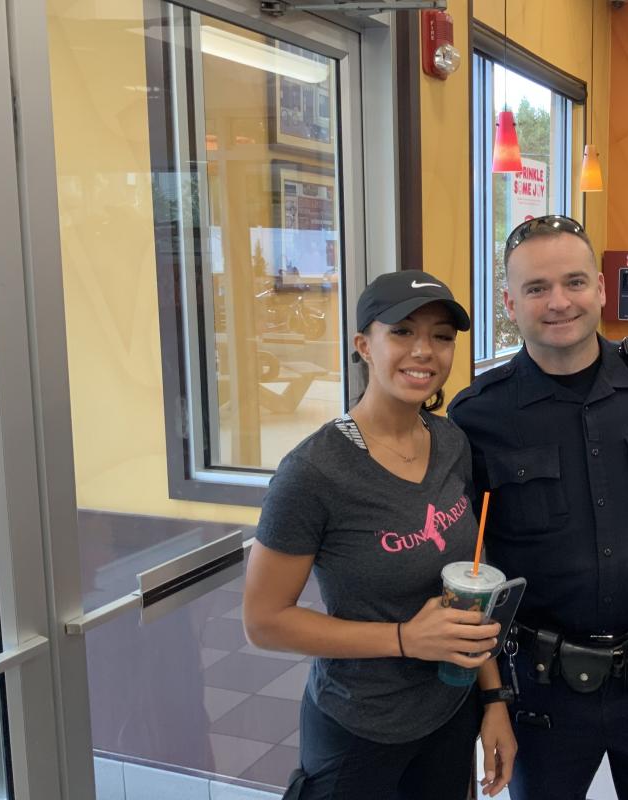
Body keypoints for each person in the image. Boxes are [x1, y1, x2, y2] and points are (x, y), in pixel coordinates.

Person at [449, 215, 628, 800]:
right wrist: (489, 695)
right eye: (536, 288)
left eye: (574, 282)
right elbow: (453, 563)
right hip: (540, 693)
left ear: (600, 288)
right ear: (509, 302)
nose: (558, 302)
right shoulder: (477, 417)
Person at [242, 270, 516, 799]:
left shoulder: (451, 442)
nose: (425, 351)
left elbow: (469, 595)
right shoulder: (313, 473)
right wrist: (404, 640)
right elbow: (264, 622)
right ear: (364, 345)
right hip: (358, 730)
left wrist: (494, 698)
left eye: (441, 336)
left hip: (447, 716)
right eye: (403, 332)